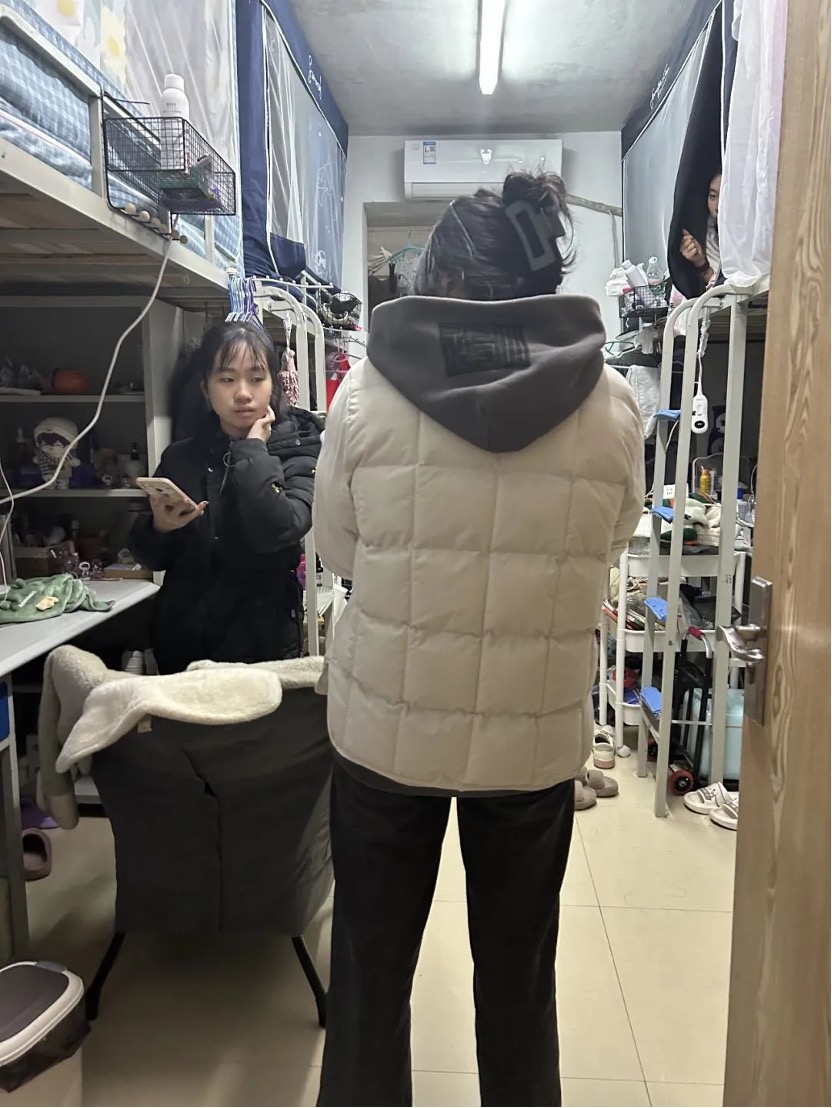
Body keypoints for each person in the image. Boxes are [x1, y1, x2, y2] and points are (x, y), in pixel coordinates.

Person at [312, 171, 645, 1107]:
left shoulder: (363, 393)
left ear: (443, 280)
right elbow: (613, 538)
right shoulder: (613, 403)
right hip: (531, 739)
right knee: (518, 979)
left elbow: (339, 547)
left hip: (386, 732)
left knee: (370, 978)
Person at [130, 321, 322, 674]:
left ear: (274, 384)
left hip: (262, 644)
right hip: (183, 645)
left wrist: (252, 450)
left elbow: (281, 528)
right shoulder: (181, 456)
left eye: (256, 378)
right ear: (206, 387)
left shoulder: (299, 450)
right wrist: (160, 528)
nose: (243, 393)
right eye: (227, 379)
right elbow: (150, 557)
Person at [679, 171, 722, 293]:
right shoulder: (708, 232)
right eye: (713, 196)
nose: (717, 206)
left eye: (724, 196)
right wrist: (700, 261)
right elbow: (719, 286)